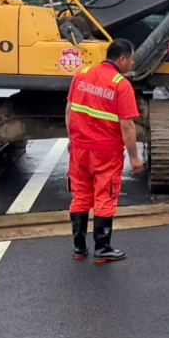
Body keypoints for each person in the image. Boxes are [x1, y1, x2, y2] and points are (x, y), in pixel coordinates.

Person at [65, 38, 145, 264]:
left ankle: (79, 248)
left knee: (80, 195)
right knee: (105, 196)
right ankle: (102, 249)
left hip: (80, 149)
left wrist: (72, 138)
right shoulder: (121, 84)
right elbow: (127, 126)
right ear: (122, 58)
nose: (132, 63)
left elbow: (69, 110)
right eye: (132, 58)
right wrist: (134, 157)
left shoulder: (82, 74)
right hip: (105, 152)